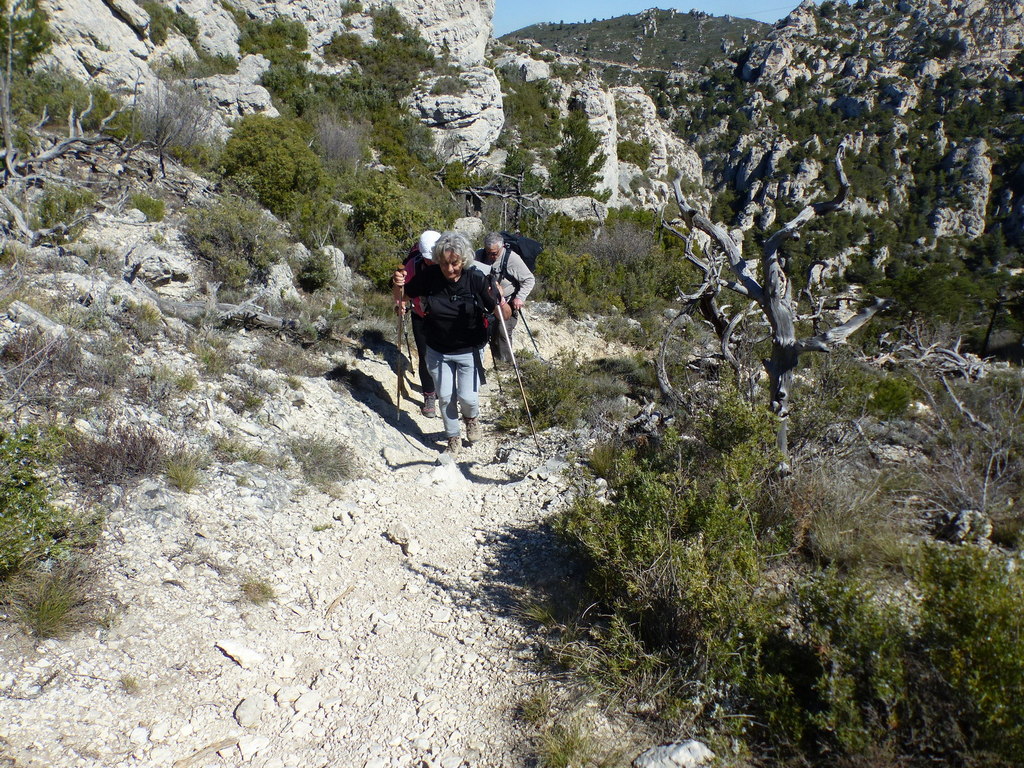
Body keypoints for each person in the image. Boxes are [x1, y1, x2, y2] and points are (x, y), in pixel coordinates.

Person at [392, 231, 510, 456]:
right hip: (437, 348)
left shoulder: (475, 278)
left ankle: (471, 419)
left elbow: (502, 313)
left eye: (454, 263)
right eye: (445, 263)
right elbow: (403, 297)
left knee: (467, 397)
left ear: (463, 260)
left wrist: (499, 297)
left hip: (469, 349)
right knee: (445, 397)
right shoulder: (430, 276)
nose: (450, 269)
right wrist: (399, 285)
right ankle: (453, 438)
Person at [477, 231, 536, 366]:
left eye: (494, 253)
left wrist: (520, 298)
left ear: (502, 247)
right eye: (488, 252)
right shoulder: (479, 255)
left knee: (502, 333)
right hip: (485, 302)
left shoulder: (511, 259)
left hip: (506, 302)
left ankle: (506, 365)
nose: (491, 256)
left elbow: (529, 279)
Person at [400, 230, 441, 417]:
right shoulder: (412, 266)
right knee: (425, 356)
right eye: (427, 259)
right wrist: (400, 303)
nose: (431, 262)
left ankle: (443, 388)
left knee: (445, 354)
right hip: (420, 314)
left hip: (445, 317)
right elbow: (401, 291)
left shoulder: (450, 263)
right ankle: (429, 395)